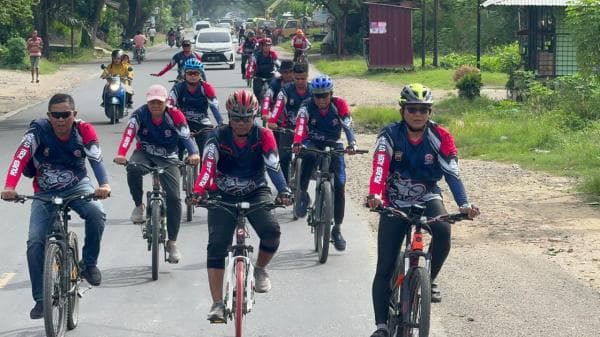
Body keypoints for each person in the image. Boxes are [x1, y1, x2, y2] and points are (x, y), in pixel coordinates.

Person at [365, 83, 480, 337]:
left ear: (430, 112)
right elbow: (380, 167)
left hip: (428, 195)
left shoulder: (441, 136)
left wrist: (464, 204)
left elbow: (452, 173)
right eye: (412, 109)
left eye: (424, 109)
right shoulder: (389, 135)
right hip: (393, 201)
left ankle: (428, 279)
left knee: (443, 231)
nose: (418, 114)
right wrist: (375, 194)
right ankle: (382, 326)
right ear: (402, 110)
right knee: (384, 267)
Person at [1, 93, 111, 319]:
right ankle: (41, 300)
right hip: (44, 191)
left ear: (75, 115)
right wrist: (10, 186)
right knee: (34, 242)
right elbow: (20, 157)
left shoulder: (84, 131)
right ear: (48, 116)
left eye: (65, 115)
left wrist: (104, 184)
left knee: (97, 212)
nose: (60, 120)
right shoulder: (38, 131)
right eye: (55, 115)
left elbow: (96, 160)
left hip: (77, 186)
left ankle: (88, 264)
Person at [191, 89, 292, 322]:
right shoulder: (216, 136)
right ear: (228, 116)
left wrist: (284, 191)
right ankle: (217, 303)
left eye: (246, 118)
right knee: (216, 245)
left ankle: (260, 268)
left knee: (271, 231)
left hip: (256, 190)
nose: (241, 123)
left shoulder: (264, 135)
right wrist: (198, 191)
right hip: (222, 193)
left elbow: (274, 167)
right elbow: (207, 167)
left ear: (254, 116)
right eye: (236, 117)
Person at [113, 85, 200, 264]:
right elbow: (129, 134)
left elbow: (185, 135)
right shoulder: (139, 114)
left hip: (169, 157)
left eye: (159, 102)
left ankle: (172, 243)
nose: (155, 105)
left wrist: (192, 153)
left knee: (175, 198)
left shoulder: (174, 115)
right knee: (133, 168)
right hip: (144, 153)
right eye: (152, 102)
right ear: (147, 102)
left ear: (166, 102)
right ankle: (138, 206)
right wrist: (121, 153)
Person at [292, 75, 358, 251]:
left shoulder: (339, 104)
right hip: (312, 141)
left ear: (331, 94)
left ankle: (337, 229)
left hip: (334, 143)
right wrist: (297, 142)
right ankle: (303, 193)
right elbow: (300, 124)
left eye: (325, 95)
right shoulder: (306, 105)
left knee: (341, 185)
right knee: (309, 156)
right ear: (312, 95)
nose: (321, 99)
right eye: (317, 96)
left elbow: (347, 124)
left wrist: (352, 143)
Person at [168, 58, 224, 159]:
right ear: (184, 74)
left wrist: (221, 123)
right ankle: (177, 168)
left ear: (200, 74)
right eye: (190, 73)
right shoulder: (178, 88)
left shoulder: (206, 87)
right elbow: (170, 106)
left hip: (202, 123)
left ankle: (203, 172)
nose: (193, 76)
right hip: (182, 122)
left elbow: (214, 107)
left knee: (206, 150)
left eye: (196, 73)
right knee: (176, 147)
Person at [267, 62, 311, 183]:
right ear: (293, 77)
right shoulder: (285, 91)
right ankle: (285, 188)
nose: (300, 82)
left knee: (311, 157)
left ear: (307, 76)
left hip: (308, 130)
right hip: (288, 128)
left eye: (303, 78)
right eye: (297, 79)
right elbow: (278, 106)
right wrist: (272, 120)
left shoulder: (314, 91)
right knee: (284, 157)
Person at [245, 38, 280, 105]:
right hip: (258, 76)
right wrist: (249, 74)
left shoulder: (273, 54)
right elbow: (251, 64)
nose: (266, 47)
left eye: (268, 45)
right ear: (262, 46)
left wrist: (282, 71)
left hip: (270, 75)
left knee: (276, 90)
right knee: (257, 91)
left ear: (270, 46)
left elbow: (278, 63)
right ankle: (257, 105)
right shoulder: (256, 55)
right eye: (265, 45)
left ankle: (273, 105)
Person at [260, 59, 294, 124]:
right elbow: (268, 96)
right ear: (281, 73)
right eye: (285, 72)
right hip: (278, 118)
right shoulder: (275, 83)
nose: (288, 74)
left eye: (291, 72)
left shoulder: (298, 84)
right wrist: (265, 112)